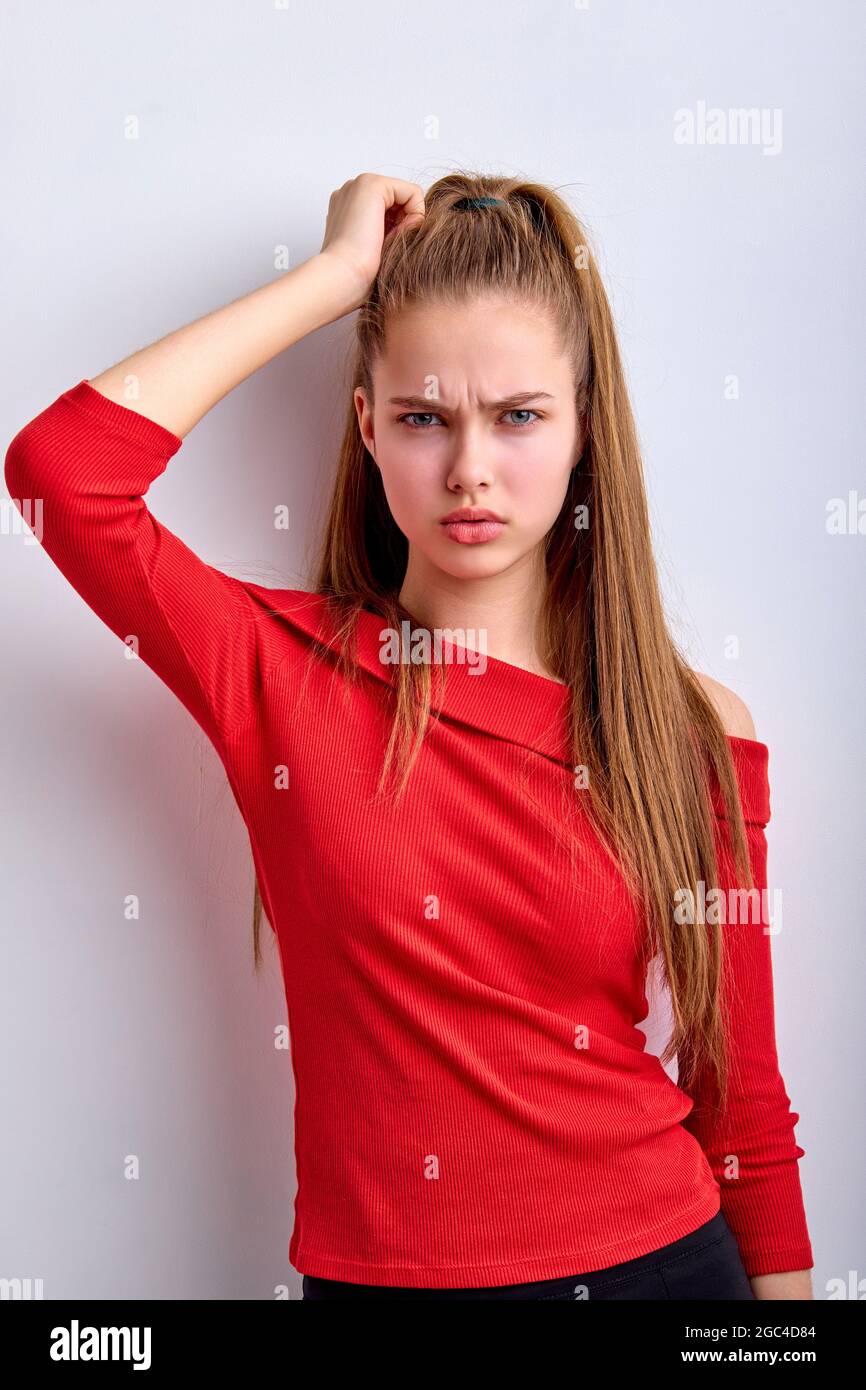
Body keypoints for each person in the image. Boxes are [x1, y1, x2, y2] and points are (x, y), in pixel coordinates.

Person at [4, 171, 814, 1300]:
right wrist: (335, 279)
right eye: (424, 417)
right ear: (367, 427)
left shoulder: (683, 727)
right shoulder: (277, 670)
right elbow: (61, 474)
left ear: (583, 426)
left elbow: (740, 1104)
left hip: (659, 1274)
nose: (470, 467)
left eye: (518, 415)